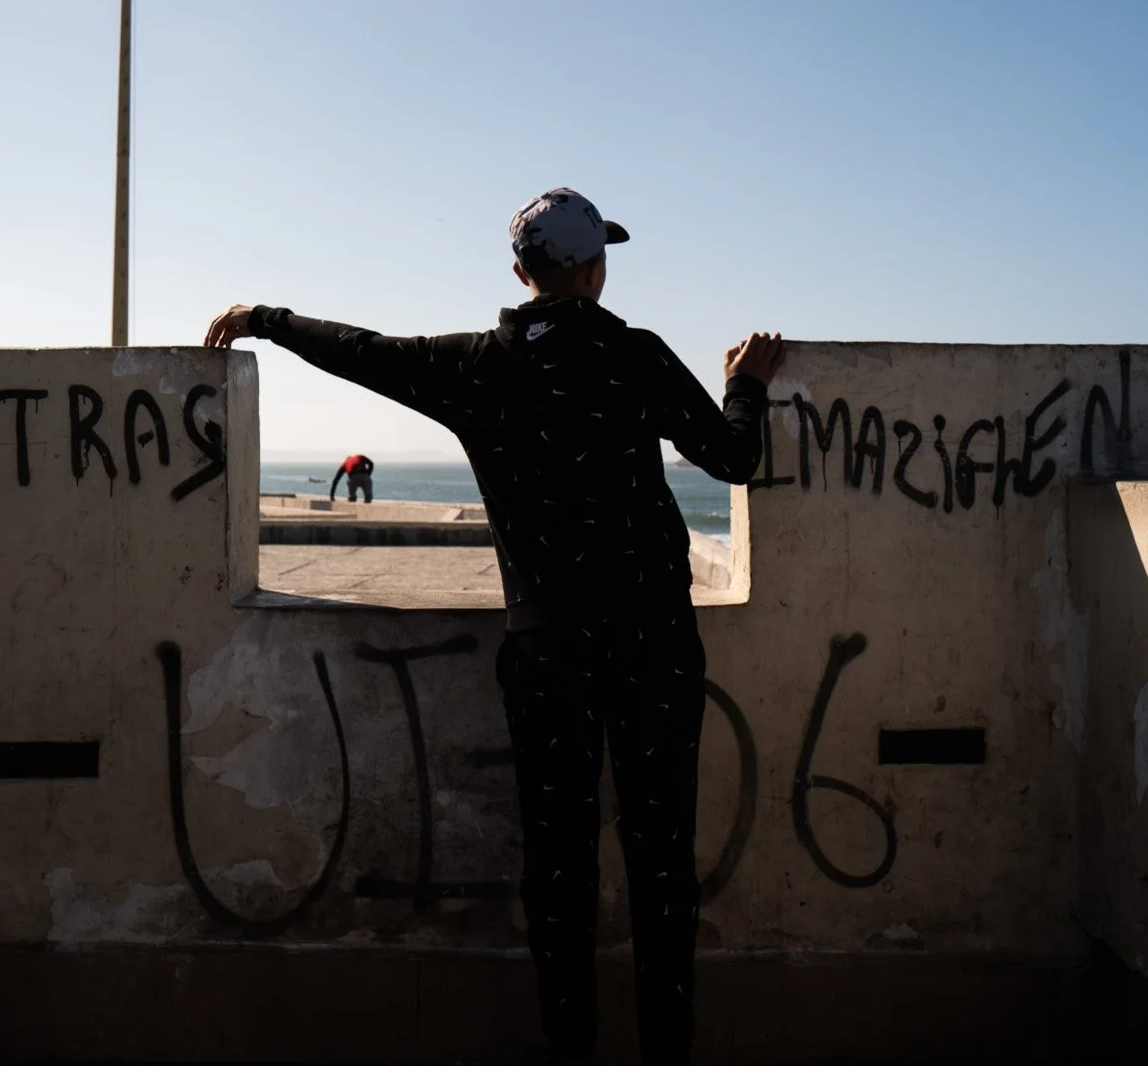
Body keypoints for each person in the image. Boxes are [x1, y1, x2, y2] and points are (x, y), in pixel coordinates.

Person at [204, 187, 782, 1065]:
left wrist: (266, 319)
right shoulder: (637, 355)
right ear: (594, 268)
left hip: (547, 650)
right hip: (653, 643)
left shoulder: (477, 366)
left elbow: (364, 352)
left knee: (558, 872)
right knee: (662, 864)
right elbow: (734, 456)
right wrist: (743, 384)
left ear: (521, 272)